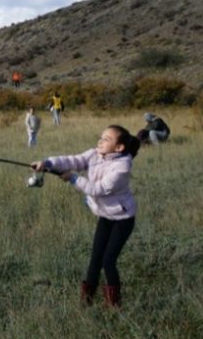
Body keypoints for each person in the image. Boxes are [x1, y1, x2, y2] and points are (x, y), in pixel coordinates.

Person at [31, 125, 140, 308]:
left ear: (119, 147)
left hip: (123, 219)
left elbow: (97, 190)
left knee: (108, 261)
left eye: (106, 139)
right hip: (105, 216)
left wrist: (73, 179)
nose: (100, 141)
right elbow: (73, 160)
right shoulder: (94, 155)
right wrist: (47, 163)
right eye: (101, 136)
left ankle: (114, 306)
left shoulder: (122, 168)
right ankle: (86, 302)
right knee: (95, 259)